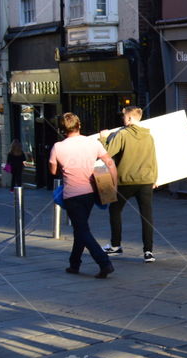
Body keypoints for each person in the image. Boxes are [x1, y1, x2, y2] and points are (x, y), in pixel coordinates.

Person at [49, 112, 117, 278]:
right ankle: (74, 264)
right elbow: (109, 162)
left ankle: (104, 262)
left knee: (82, 230)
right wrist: (113, 184)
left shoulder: (58, 147)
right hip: (90, 193)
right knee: (80, 229)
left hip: (72, 194)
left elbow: (52, 170)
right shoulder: (92, 142)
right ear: (79, 125)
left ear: (62, 129)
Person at [99, 106, 158, 263]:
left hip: (125, 181)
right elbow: (153, 159)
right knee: (147, 216)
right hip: (146, 181)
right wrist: (155, 178)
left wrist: (103, 138)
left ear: (131, 118)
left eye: (124, 117)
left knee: (115, 210)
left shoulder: (123, 134)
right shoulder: (149, 136)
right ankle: (148, 252)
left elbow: (108, 153)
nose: (122, 119)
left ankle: (116, 245)